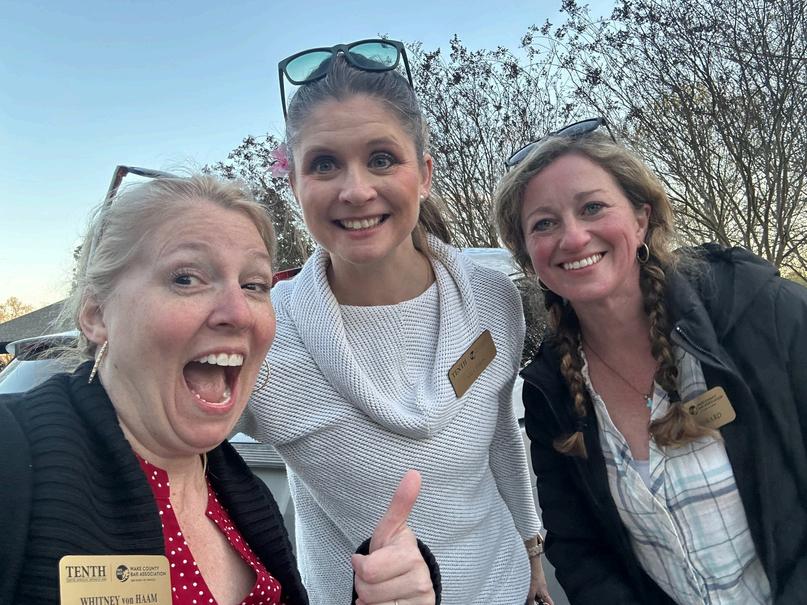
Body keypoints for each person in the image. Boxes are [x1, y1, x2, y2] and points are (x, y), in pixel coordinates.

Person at [0, 175, 440, 605]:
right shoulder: (14, 458)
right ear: (96, 314)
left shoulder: (242, 496)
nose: (239, 313)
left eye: (254, 286)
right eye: (186, 279)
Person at [241, 39, 551, 604]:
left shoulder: (493, 299)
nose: (356, 190)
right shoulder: (261, 336)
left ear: (424, 174)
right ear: (295, 187)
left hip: (505, 586)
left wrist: (531, 548)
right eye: (324, 164)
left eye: (382, 159)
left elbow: (501, 433)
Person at [492, 119, 807, 605]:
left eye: (592, 207)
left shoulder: (760, 312)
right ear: (528, 256)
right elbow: (579, 549)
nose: (573, 237)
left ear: (641, 218)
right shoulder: (549, 390)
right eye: (544, 224)